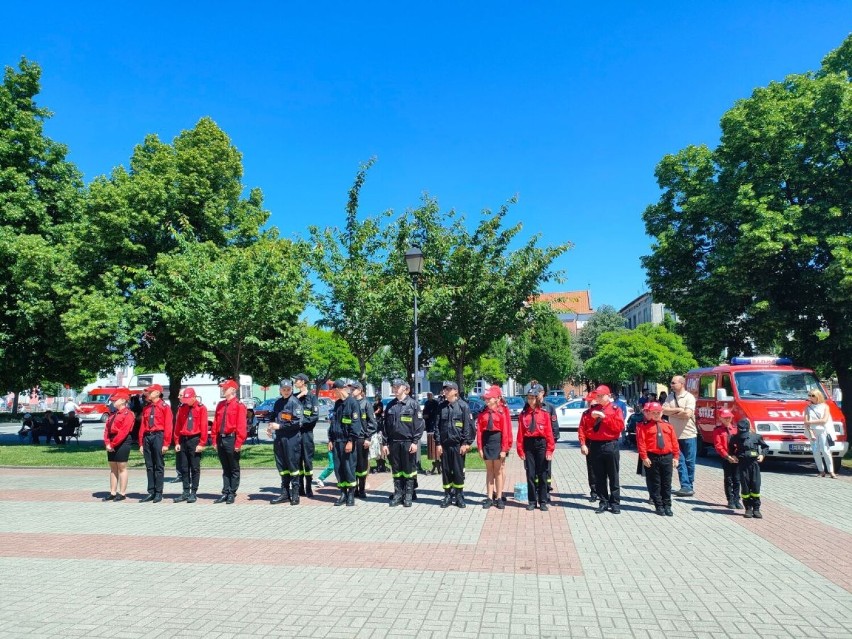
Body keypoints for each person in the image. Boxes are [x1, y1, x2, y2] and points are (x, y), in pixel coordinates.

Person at [578, 385, 625, 514]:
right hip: (596, 445)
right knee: (599, 476)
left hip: (611, 444)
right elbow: (583, 428)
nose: (597, 398)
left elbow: (619, 427)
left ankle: (615, 503)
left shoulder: (615, 409)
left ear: (608, 395)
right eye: (597, 396)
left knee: (613, 475)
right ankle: (603, 501)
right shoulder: (592, 411)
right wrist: (583, 443)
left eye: (600, 395)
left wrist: (605, 417)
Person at [381, 379, 424, 508]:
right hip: (394, 442)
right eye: (394, 387)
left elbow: (419, 425)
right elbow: (385, 426)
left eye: (398, 387)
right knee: (396, 469)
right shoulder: (390, 405)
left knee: (409, 470)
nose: (395, 389)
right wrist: (384, 443)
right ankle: (398, 493)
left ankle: (409, 495)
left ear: (405, 388)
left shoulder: (413, 404)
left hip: (407, 442)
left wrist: (415, 442)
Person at [434, 381, 475, 508]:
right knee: (446, 471)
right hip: (445, 446)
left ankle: (459, 496)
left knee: (458, 471)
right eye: (445, 389)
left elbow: (469, 427)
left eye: (449, 389)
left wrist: (466, 443)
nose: (446, 391)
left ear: (455, 391)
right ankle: (447, 495)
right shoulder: (441, 407)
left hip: (458, 446)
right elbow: (436, 426)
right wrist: (438, 443)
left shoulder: (463, 406)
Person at [636, 401, 680, 516]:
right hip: (652, 457)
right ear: (649, 413)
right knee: (655, 483)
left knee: (667, 483)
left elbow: (674, 442)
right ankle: (659, 505)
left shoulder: (668, 425)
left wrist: (676, 456)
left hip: (667, 457)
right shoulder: (643, 427)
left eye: (658, 412)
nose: (656, 414)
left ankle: (667, 505)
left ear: (662, 413)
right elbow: (641, 443)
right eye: (653, 412)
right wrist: (644, 457)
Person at [517, 388, 556, 511]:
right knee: (530, 474)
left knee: (542, 473)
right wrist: (520, 450)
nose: (530, 400)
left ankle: (543, 501)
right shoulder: (523, 415)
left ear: (537, 398)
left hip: (541, 444)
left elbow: (549, 432)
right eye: (528, 398)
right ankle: (532, 501)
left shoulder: (544, 414)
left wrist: (550, 450)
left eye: (532, 398)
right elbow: (520, 434)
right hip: (529, 445)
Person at [267, 379, 304, 505]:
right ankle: (284, 493)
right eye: (284, 389)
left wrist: (280, 427)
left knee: (292, 465)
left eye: (288, 389)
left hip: (291, 438)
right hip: (279, 438)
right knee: (282, 465)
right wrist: (270, 426)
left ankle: (295, 494)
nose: (286, 391)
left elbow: (297, 423)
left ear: (292, 390)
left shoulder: (295, 403)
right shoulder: (278, 403)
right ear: (280, 390)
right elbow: (273, 417)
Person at [212, 380, 247, 504]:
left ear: (233, 390)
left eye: (225, 388)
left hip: (232, 439)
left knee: (233, 467)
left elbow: (241, 426)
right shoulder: (220, 405)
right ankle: (225, 492)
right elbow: (216, 423)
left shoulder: (239, 405)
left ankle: (232, 492)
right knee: (225, 468)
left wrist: (238, 443)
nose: (223, 390)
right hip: (221, 438)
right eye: (222, 388)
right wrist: (214, 440)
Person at [477, 385, 512, 510]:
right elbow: (480, 432)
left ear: (497, 399)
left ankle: (499, 497)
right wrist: (480, 448)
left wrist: (504, 449)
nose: (486, 401)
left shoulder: (502, 412)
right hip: (487, 443)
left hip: (498, 443)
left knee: (498, 471)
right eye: (485, 399)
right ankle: (489, 497)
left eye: (489, 399)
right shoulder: (482, 414)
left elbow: (506, 432)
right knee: (489, 471)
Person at [328, 379, 362, 506]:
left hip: (347, 442)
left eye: (334, 391)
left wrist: (351, 441)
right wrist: (330, 439)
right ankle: (343, 493)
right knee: (339, 468)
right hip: (336, 441)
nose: (334, 394)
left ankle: (351, 495)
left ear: (338, 389)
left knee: (349, 467)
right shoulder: (337, 404)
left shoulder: (353, 403)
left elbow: (356, 424)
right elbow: (333, 424)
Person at [662, 375, 697, 497]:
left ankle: (689, 486)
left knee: (689, 461)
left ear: (681, 384)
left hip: (689, 434)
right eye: (671, 383)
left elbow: (687, 414)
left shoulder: (689, 397)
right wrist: (678, 409)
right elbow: (663, 410)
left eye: (673, 383)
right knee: (679, 461)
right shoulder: (670, 397)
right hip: (674, 435)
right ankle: (685, 486)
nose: (671, 385)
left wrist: (672, 412)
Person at [138, 384, 173, 503]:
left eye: (150, 392)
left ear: (157, 393)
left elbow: (168, 426)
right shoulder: (147, 408)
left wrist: (166, 443)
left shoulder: (164, 407)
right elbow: (143, 425)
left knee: (158, 465)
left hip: (158, 436)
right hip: (148, 436)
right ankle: (151, 491)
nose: (148, 394)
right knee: (149, 465)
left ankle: (159, 492)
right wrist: (141, 443)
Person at [172, 388, 208, 503]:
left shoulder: (201, 408)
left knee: (195, 467)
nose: (186, 401)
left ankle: (193, 492)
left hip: (195, 439)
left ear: (194, 397)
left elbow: (204, 427)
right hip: (183, 439)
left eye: (188, 399)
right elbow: (178, 426)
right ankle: (185, 491)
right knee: (184, 468)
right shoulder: (182, 408)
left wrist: (202, 443)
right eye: (185, 399)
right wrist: (177, 441)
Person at [729, 419, 769, 519]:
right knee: (745, 487)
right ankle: (748, 508)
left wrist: (762, 455)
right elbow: (731, 448)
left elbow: (765, 447)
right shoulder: (735, 437)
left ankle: (756, 509)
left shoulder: (756, 437)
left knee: (755, 486)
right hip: (742, 465)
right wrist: (733, 455)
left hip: (753, 464)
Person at [102, 389, 135, 501]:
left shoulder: (128, 414)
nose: (113, 402)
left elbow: (123, 432)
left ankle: (122, 493)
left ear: (122, 401)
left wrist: (113, 444)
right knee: (113, 467)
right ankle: (112, 492)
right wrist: (107, 443)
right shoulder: (113, 414)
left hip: (122, 442)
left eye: (115, 400)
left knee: (121, 467)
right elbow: (107, 429)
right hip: (111, 442)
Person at [349, 381, 377, 499]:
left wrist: (368, 438)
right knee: (352, 465)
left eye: (354, 389)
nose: (352, 391)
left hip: (362, 439)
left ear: (360, 390)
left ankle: (361, 489)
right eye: (351, 389)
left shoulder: (366, 404)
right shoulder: (350, 403)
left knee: (362, 465)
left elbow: (372, 423)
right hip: (351, 439)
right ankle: (353, 489)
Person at [294, 373, 319, 496]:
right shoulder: (295, 397)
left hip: (307, 434)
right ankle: (300, 488)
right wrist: (298, 396)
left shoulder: (312, 398)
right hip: (295, 435)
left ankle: (308, 487)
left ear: (303, 382)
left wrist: (300, 423)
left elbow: (315, 417)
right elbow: (289, 410)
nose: (295, 382)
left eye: (297, 380)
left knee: (308, 461)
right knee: (297, 461)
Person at [713, 408, 742, 509]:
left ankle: (737, 500)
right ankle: (730, 499)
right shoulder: (718, 430)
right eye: (725, 418)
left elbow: (740, 443)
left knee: (737, 479)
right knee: (728, 479)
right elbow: (718, 446)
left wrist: (737, 456)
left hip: (736, 457)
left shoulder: (735, 429)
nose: (728, 419)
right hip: (726, 457)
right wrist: (727, 456)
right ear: (721, 418)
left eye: (729, 417)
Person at [804, 389, 836, 478]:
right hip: (812, 432)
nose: (810, 397)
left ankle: (831, 471)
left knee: (826, 451)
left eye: (812, 396)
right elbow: (806, 422)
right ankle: (821, 471)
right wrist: (811, 432)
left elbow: (824, 420)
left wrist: (811, 422)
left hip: (823, 431)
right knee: (815, 451)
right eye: (809, 395)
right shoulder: (808, 407)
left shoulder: (825, 406)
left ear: (818, 396)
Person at [536, 384, 560, 502]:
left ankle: (546, 489)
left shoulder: (549, 407)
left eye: (538, 392)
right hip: (535, 443)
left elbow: (554, 426)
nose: (536, 395)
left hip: (547, 442)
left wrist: (552, 443)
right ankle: (536, 489)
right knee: (535, 468)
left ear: (543, 393)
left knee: (546, 468)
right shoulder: (530, 407)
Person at [577, 392, 601, 502]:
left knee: (602, 469)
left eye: (590, 401)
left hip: (602, 443)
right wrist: (583, 444)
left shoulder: (603, 413)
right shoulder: (586, 414)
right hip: (590, 443)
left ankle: (603, 491)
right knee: (591, 469)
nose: (588, 403)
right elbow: (581, 429)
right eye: (587, 401)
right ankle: (594, 491)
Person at [423, 392, 441, 475]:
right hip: (428, 425)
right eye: (427, 395)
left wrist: (429, 415)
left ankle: (437, 463)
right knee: (431, 446)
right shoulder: (426, 403)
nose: (428, 397)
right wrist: (424, 415)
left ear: (432, 396)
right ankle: (436, 463)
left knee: (434, 445)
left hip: (433, 426)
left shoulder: (435, 403)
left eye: (430, 395)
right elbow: (424, 411)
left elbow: (435, 413)